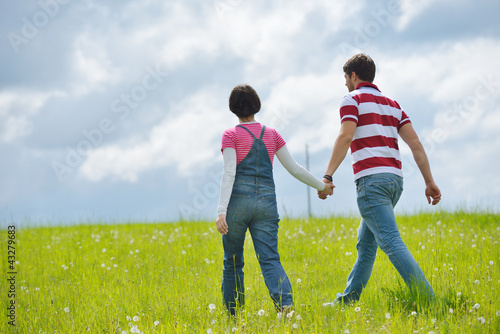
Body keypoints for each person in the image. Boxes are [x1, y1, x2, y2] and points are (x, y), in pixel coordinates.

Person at [320, 54, 441, 306]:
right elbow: (416, 144)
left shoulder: (352, 100)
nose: (345, 84)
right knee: (365, 245)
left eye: (345, 78)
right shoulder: (393, 104)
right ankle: (347, 300)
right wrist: (429, 181)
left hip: (371, 183)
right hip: (394, 182)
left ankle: (428, 299)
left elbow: (345, 137)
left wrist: (327, 175)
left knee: (390, 241)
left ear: (354, 76)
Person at [216, 84, 334, 316]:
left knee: (232, 261)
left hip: (237, 204)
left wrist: (221, 211)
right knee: (269, 258)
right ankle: (286, 307)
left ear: (233, 108)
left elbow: (229, 173)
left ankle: (233, 316)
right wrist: (323, 186)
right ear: (256, 105)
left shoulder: (230, 135)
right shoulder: (271, 134)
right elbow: (294, 168)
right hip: (266, 204)